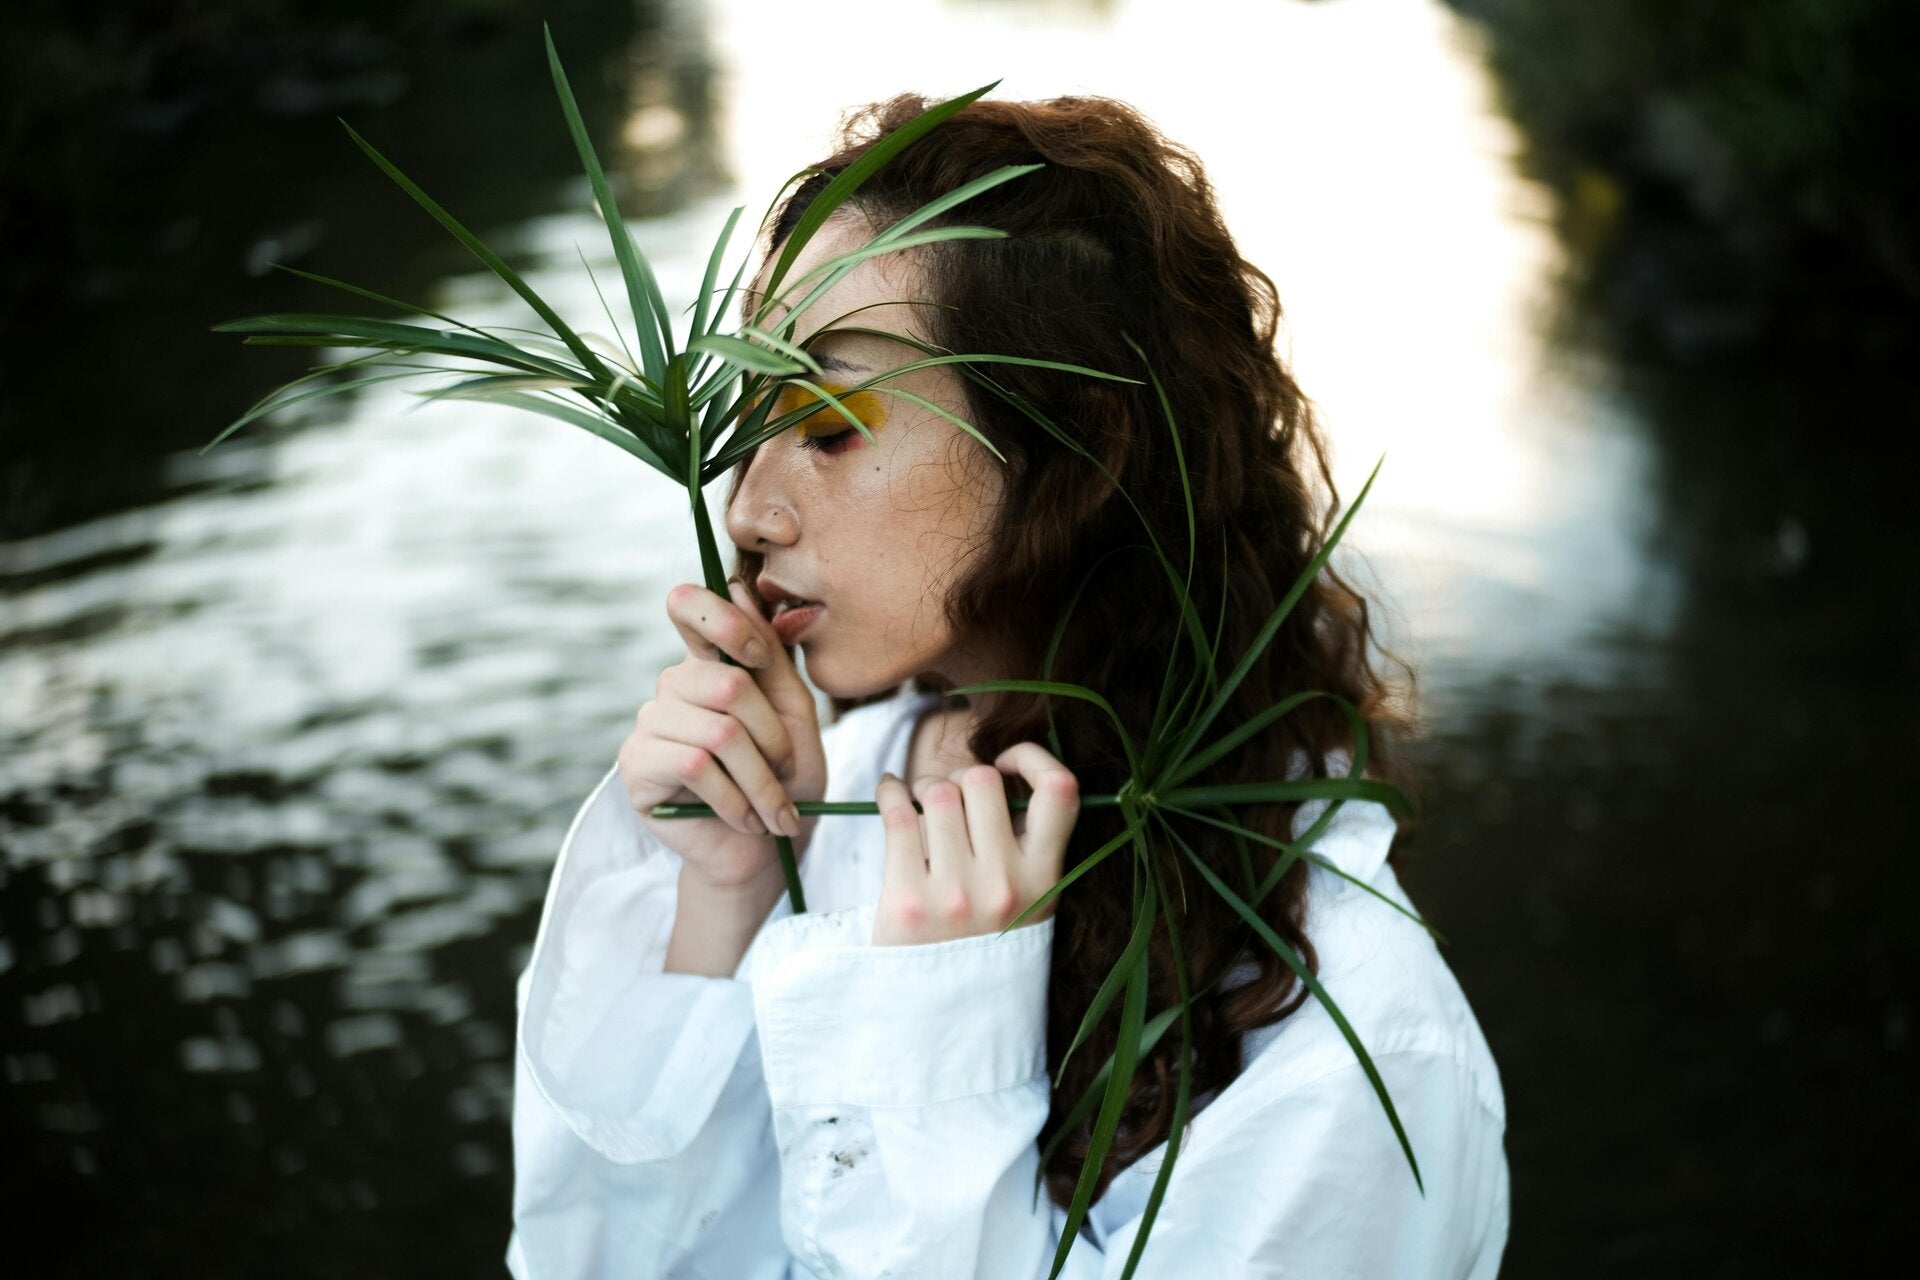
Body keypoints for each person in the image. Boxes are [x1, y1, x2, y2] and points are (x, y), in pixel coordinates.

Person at [507, 93, 1509, 1278]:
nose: (750, 510)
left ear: (1076, 445)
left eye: (826, 423)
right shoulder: (845, 796)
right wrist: (727, 899)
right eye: (749, 423)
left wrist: (948, 1049)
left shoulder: (1351, 1042)